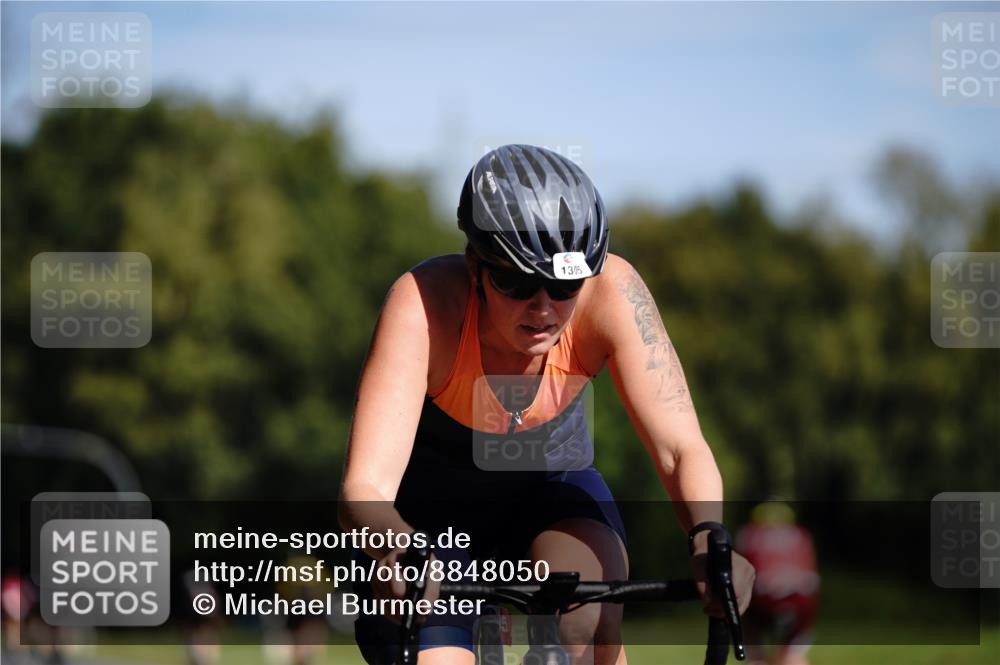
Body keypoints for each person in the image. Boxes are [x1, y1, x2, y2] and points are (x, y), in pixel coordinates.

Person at [338, 144, 754, 665]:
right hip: (427, 520)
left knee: (588, 614)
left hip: (549, 492)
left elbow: (679, 448)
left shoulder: (613, 295)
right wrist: (398, 551)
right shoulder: (423, 304)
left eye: (564, 284)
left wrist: (707, 536)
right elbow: (365, 488)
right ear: (475, 266)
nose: (543, 307)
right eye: (516, 281)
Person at [736, 502, 819, 665]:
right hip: (800, 600)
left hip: (761, 600)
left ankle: (757, 659)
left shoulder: (749, 534)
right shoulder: (801, 535)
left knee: (754, 652)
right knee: (792, 655)